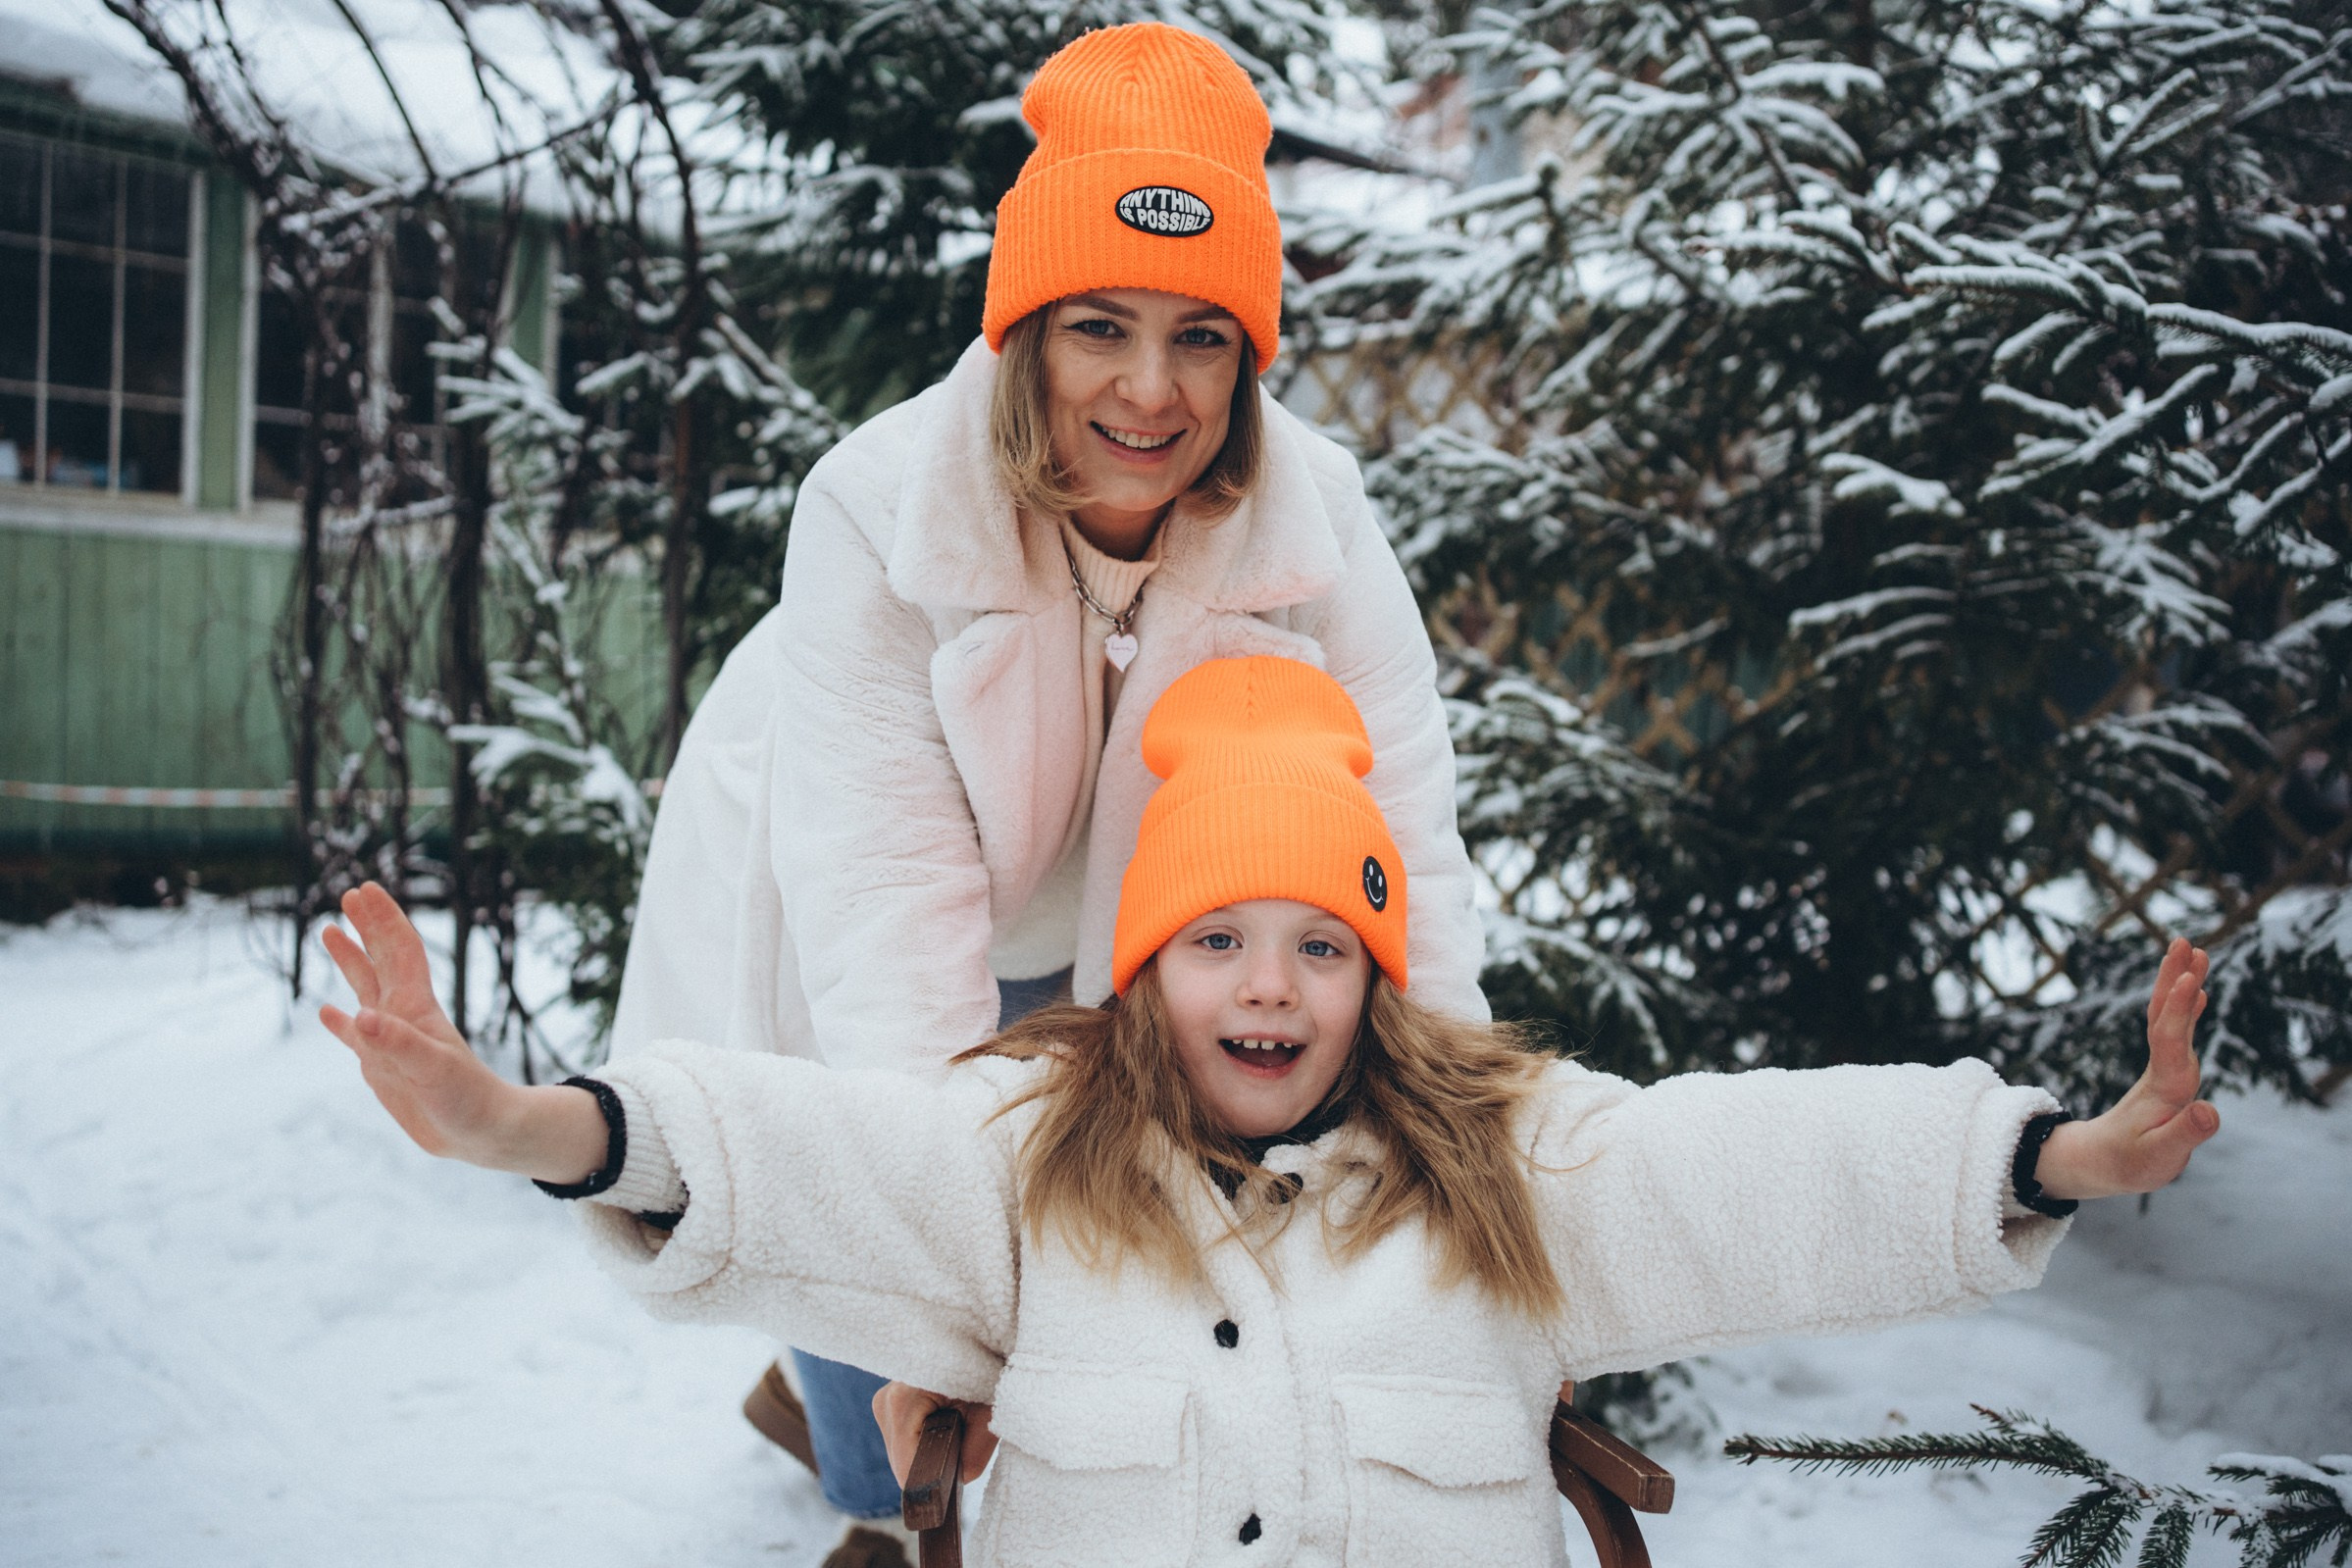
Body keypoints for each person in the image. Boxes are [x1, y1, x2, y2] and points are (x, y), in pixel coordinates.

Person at [321, 656, 2222, 1568]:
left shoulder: (1505, 1172)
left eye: (1319, 943)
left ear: (1374, 977)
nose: (1264, 983)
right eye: (1213, 934)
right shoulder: (1023, 1169)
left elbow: (1762, 1166)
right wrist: (521, 1123)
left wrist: (2054, 1153)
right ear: (1138, 966)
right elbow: (788, 1150)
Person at [606, 24, 1488, 1561]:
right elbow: (887, 942)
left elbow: (1402, 836)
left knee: (1106, 1191)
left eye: (1203, 335)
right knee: (875, 1218)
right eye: (1100, 326)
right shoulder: (880, 508)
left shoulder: (1314, 518)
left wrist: (1461, 1179)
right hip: (850, 866)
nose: (1150, 393)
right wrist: (928, 1342)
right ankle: (870, 1499)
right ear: (1025, 334)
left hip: (1120, 915)